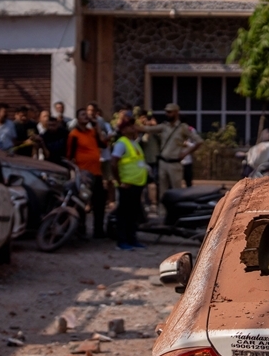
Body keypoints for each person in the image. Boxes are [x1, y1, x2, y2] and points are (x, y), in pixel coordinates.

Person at [140, 103, 202, 203]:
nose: (167, 114)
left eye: (169, 112)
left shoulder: (183, 128)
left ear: (176, 112)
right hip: (163, 162)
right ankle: (162, 214)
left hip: (175, 163)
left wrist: (185, 153)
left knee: (176, 191)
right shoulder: (164, 126)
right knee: (162, 192)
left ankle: (176, 213)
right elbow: (148, 129)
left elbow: (199, 141)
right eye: (166, 112)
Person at [67, 108, 109, 238]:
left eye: (87, 115)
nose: (86, 116)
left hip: (96, 173)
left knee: (99, 202)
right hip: (83, 174)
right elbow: (69, 155)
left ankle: (98, 230)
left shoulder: (92, 132)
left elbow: (103, 144)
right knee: (81, 203)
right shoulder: (74, 134)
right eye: (83, 115)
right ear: (78, 118)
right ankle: (80, 230)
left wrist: (96, 126)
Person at [111, 117, 148, 250]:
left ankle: (132, 239)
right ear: (123, 130)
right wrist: (119, 181)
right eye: (130, 126)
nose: (133, 128)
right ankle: (122, 241)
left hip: (137, 183)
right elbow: (113, 163)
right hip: (126, 184)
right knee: (124, 214)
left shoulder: (134, 142)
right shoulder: (121, 143)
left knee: (133, 214)